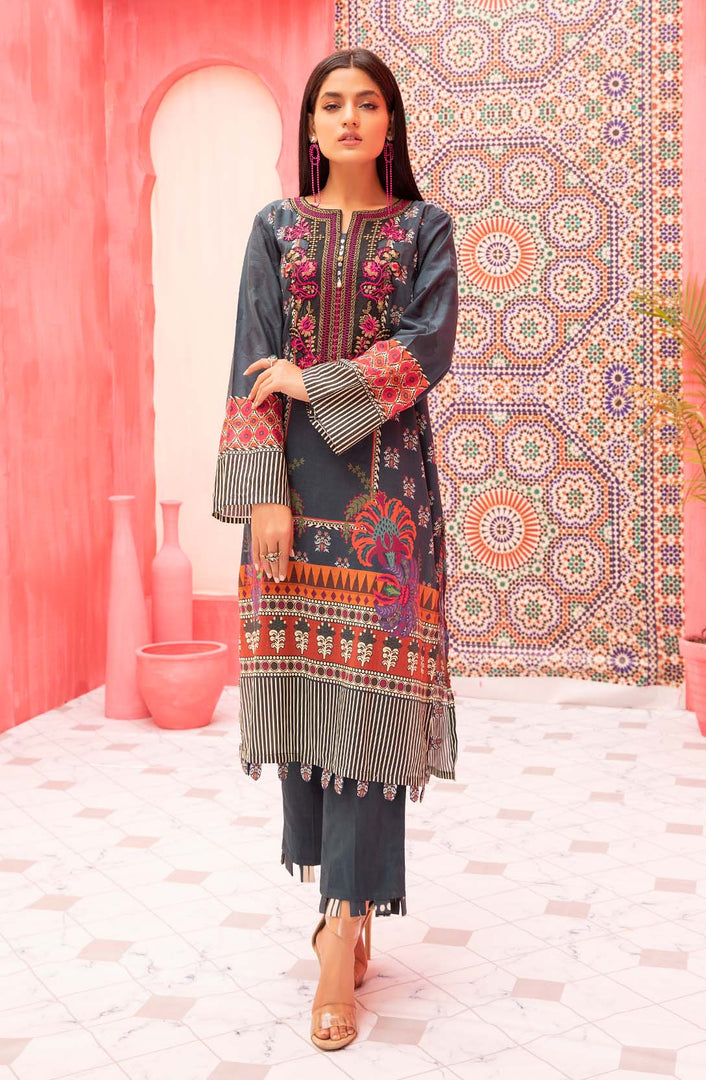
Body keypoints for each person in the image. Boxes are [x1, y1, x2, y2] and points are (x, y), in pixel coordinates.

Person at [212, 46, 459, 1052]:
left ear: (389, 122)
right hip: (292, 504)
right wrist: (263, 499)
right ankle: (338, 913)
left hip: (389, 511)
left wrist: (312, 382)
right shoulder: (275, 229)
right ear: (311, 126)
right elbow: (249, 362)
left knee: (372, 710)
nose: (349, 117)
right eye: (331, 104)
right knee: (312, 700)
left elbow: (425, 349)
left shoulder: (425, 229)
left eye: (366, 103)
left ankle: (341, 932)